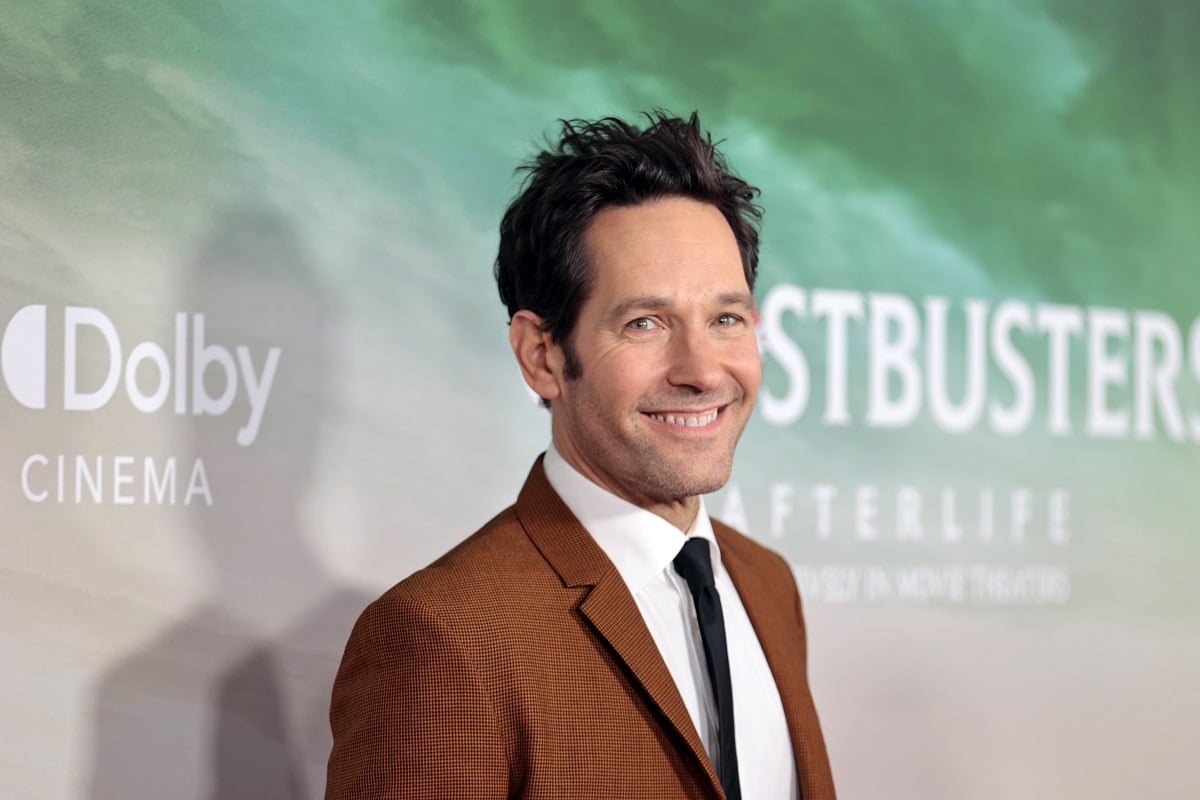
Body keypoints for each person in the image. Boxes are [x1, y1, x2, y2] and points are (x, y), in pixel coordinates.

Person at [325, 111, 835, 800]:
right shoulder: (441, 638)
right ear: (542, 355)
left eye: (726, 319)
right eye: (645, 323)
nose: (702, 370)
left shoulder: (767, 585)